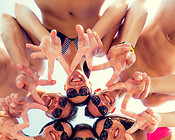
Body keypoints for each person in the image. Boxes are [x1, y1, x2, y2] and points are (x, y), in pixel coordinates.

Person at [12, 0, 148, 104]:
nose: (77, 87)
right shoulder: (101, 49)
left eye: (71, 92)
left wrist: (44, 36)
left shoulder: (46, 52)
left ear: (64, 87)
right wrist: (95, 34)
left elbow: (19, 9)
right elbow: (121, 4)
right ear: (90, 85)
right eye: (83, 91)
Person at [93, 0, 175, 107]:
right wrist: (151, 85)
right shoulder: (149, 98)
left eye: (94, 101)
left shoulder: (113, 53)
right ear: (112, 111)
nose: (101, 103)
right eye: (102, 110)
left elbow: (138, 5)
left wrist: (128, 44)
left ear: (97, 90)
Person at [0, 44, 77, 120]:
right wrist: (24, 68)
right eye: (62, 102)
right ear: (59, 93)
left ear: (48, 115)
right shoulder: (38, 67)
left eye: (57, 112)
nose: (56, 105)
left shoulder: (11, 108)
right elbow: (10, 34)